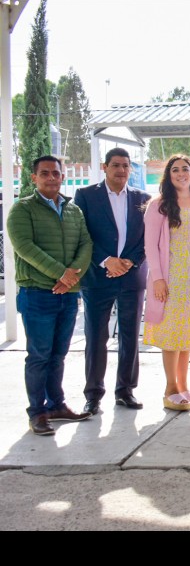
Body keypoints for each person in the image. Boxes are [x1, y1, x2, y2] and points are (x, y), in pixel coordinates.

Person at [7, 155, 94, 435]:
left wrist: (72, 277)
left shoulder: (73, 210)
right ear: (34, 177)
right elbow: (24, 247)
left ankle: (57, 405)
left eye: (55, 173)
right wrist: (60, 273)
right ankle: (38, 412)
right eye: (44, 173)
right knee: (39, 355)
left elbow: (86, 243)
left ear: (62, 176)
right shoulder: (22, 209)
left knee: (58, 355)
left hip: (67, 295)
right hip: (37, 293)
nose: (51, 178)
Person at [75, 148, 150, 415]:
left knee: (130, 336)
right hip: (98, 276)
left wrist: (130, 261)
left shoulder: (143, 198)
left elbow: (148, 237)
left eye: (126, 165)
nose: (121, 170)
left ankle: (125, 390)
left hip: (132, 276)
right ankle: (93, 394)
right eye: (116, 165)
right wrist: (107, 260)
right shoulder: (86, 195)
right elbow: (81, 234)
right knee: (97, 336)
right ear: (104, 167)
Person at [143, 155, 190, 411]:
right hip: (171, 276)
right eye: (175, 170)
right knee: (171, 334)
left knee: (187, 333)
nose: (181, 173)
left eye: (185, 169)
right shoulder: (158, 205)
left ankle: (184, 386)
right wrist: (158, 278)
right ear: (168, 176)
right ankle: (170, 389)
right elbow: (150, 245)